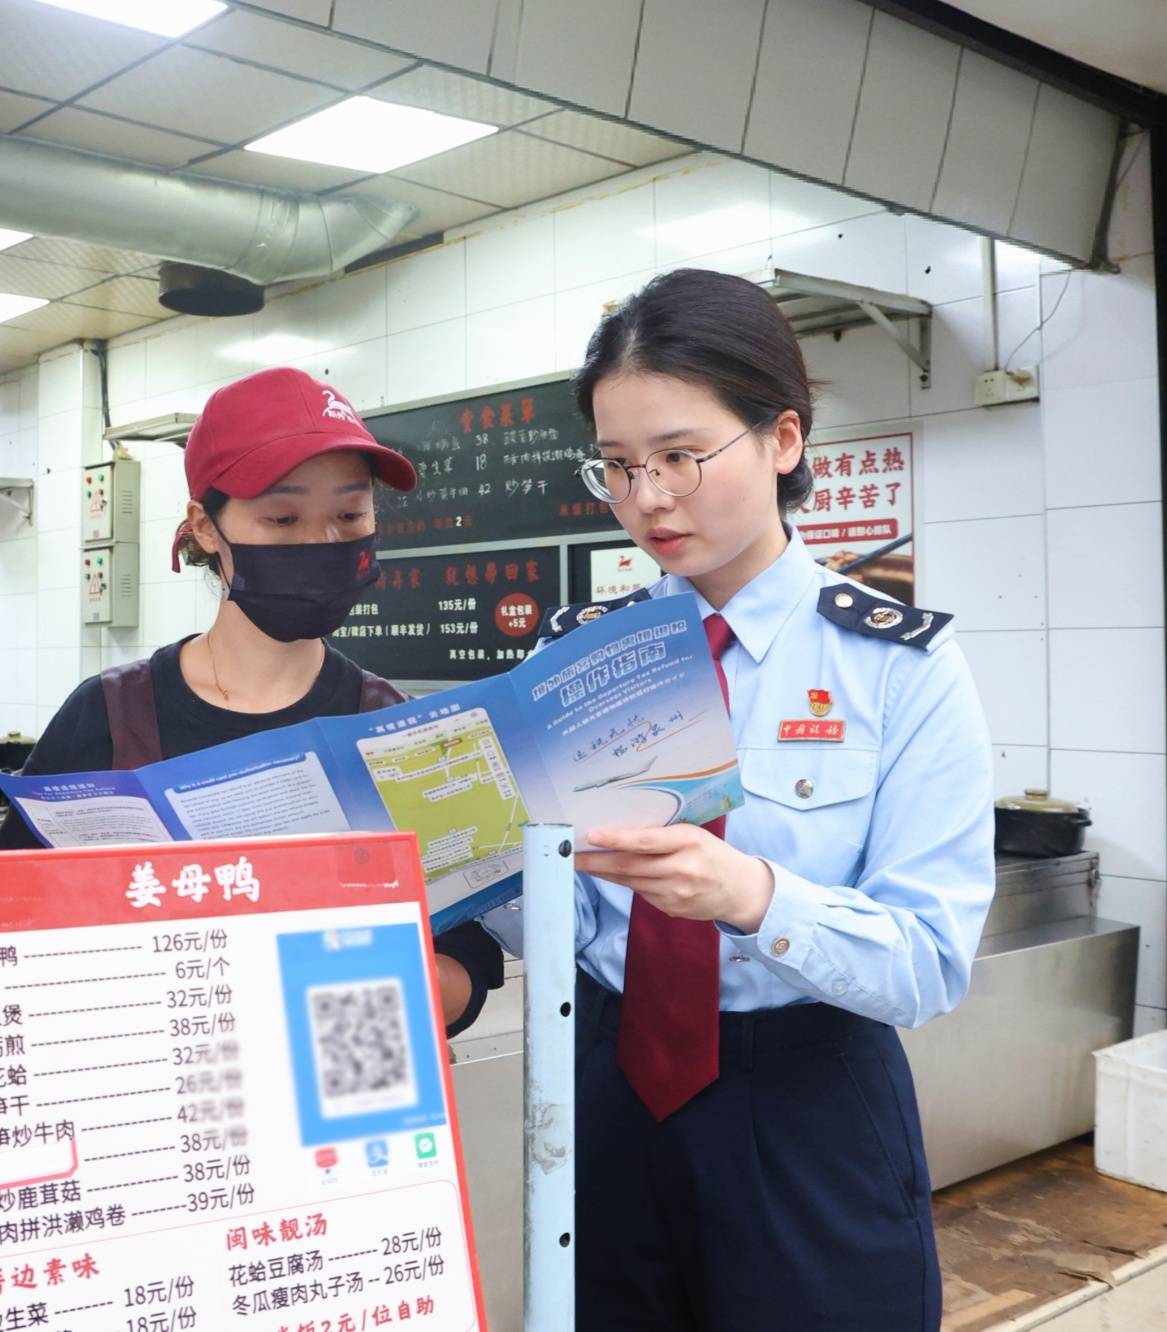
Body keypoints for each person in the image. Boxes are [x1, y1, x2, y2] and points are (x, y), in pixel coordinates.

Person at [479, 268, 993, 1329]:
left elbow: (928, 961)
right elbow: (570, 923)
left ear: (783, 441)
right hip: (608, 1089)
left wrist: (753, 893)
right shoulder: (584, 660)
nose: (647, 499)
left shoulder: (897, 668)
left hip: (805, 1100)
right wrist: (478, 861)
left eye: (679, 455)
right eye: (616, 467)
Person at [0, 366, 504, 1033]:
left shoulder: (401, 730)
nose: (322, 543)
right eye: (282, 517)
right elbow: (2, 929)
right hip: (153, 1095)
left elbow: (463, 977)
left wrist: (341, 967)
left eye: (348, 515)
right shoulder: (110, 715)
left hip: (342, 1100)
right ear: (205, 528)